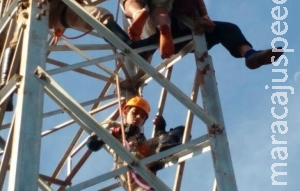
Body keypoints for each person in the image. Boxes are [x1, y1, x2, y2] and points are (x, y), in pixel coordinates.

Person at [0, 0, 158, 111]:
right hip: (32, 5)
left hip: (62, 7)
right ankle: (5, 81)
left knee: (98, 15)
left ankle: (130, 46)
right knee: (20, 40)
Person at [86, 96, 188, 190]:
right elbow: (92, 143)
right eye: (135, 112)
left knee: (183, 130)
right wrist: (119, 131)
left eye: (143, 117)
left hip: (145, 164)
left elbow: (149, 149)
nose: (139, 117)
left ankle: (165, 146)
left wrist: (160, 130)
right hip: (127, 168)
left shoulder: (141, 139)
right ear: (125, 112)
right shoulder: (112, 126)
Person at [170, 0, 284, 70]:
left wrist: (205, 18)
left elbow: (198, 3)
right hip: (167, 34)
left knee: (228, 29)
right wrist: (196, 19)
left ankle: (251, 55)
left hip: (189, 30)